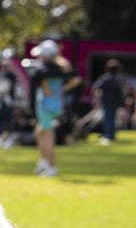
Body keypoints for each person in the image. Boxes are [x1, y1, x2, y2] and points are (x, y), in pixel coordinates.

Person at [30, 39, 81, 177]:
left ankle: (50, 166)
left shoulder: (43, 70)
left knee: (47, 136)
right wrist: (63, 89)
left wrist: (60, 89)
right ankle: (43, 162)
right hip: (56, 105)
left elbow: (45, 89)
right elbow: (76, 79)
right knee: (39, 132)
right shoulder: (61, 68)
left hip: (46, 106)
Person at [92, 58, 125, 145]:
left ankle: (108, 135)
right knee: (112, 119)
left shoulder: (104, 78)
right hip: (115, 102)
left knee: (108, 119)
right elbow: (122, 91)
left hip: (106, 101)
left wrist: (96, 99)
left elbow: (96, 88)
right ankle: (111, 135)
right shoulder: (118, 78)